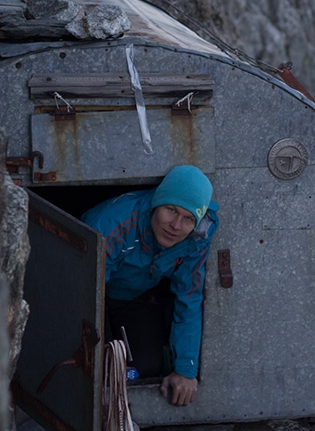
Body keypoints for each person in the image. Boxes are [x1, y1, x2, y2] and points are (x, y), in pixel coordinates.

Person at [81, 165, 218, 406]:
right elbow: (82, 293)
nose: (176, 225)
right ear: (156, 203)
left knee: (146, 367)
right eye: (171, 209)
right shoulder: (112, 225)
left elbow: (189, 297)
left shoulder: (196, 237)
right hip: (90, 294)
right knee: (99, 368)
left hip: (135, 296)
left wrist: (186, 369)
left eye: (188, 218)